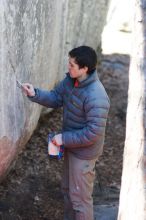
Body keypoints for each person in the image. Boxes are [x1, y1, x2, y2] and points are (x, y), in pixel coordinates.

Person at [22, 46, 110, 220]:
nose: (68, 67)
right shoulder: (71, 80)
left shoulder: (96, 95)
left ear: (84, 69)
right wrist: (35, 93)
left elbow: (93, 133)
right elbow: (56, 98)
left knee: (80, 200)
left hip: (84, 154)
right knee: (68, 191)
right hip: (71, 145)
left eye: (72, 65)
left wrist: (63, 138)